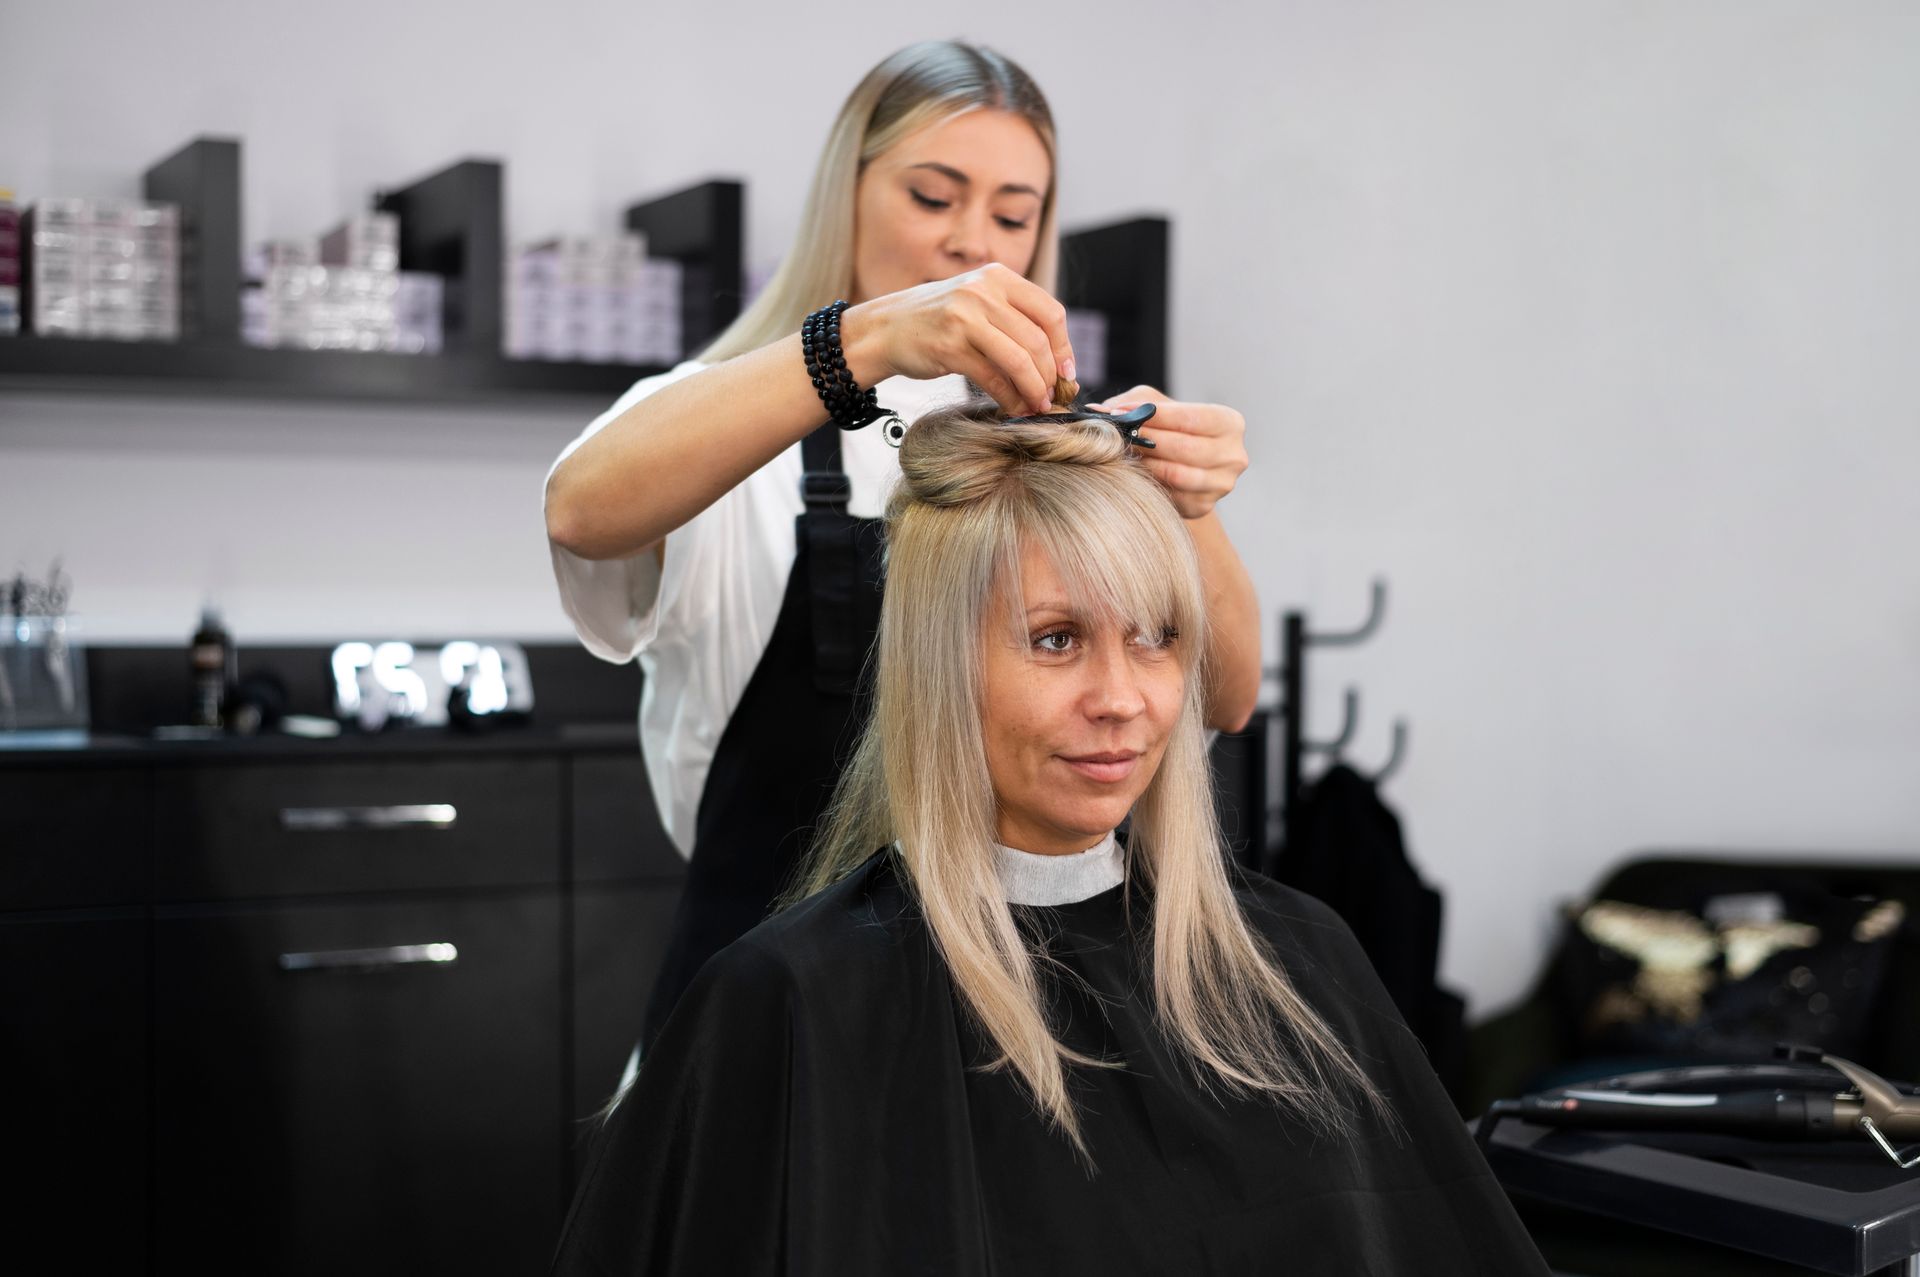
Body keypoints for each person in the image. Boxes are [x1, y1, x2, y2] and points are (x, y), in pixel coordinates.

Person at [548, 398, 1551, 1275]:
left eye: (1156, 635)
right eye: (1057, 639)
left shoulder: (1300, 958)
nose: (1124, 700)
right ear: (940, 666)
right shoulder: (791, 1002)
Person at [543, 40, 1263, 1051]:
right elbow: (581, 508)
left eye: (1013, 217)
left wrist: (1192, 503)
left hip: (1011, 1025)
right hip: (767, 1029)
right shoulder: (726, 431)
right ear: (851, 190)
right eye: (934, 197)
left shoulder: (1062, 453)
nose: (974, 244)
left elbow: (1224, 695)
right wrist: (864, 341)